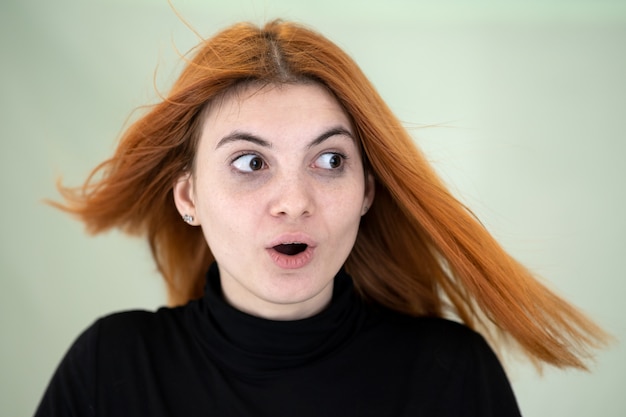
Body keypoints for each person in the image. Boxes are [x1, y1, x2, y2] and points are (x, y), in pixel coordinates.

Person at [35, 20, 608, 416]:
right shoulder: (111, 366)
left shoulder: (450, 372)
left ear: (366, 192)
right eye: (250, 162)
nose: (294, 201)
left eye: (330, 160)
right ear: (188, 199)